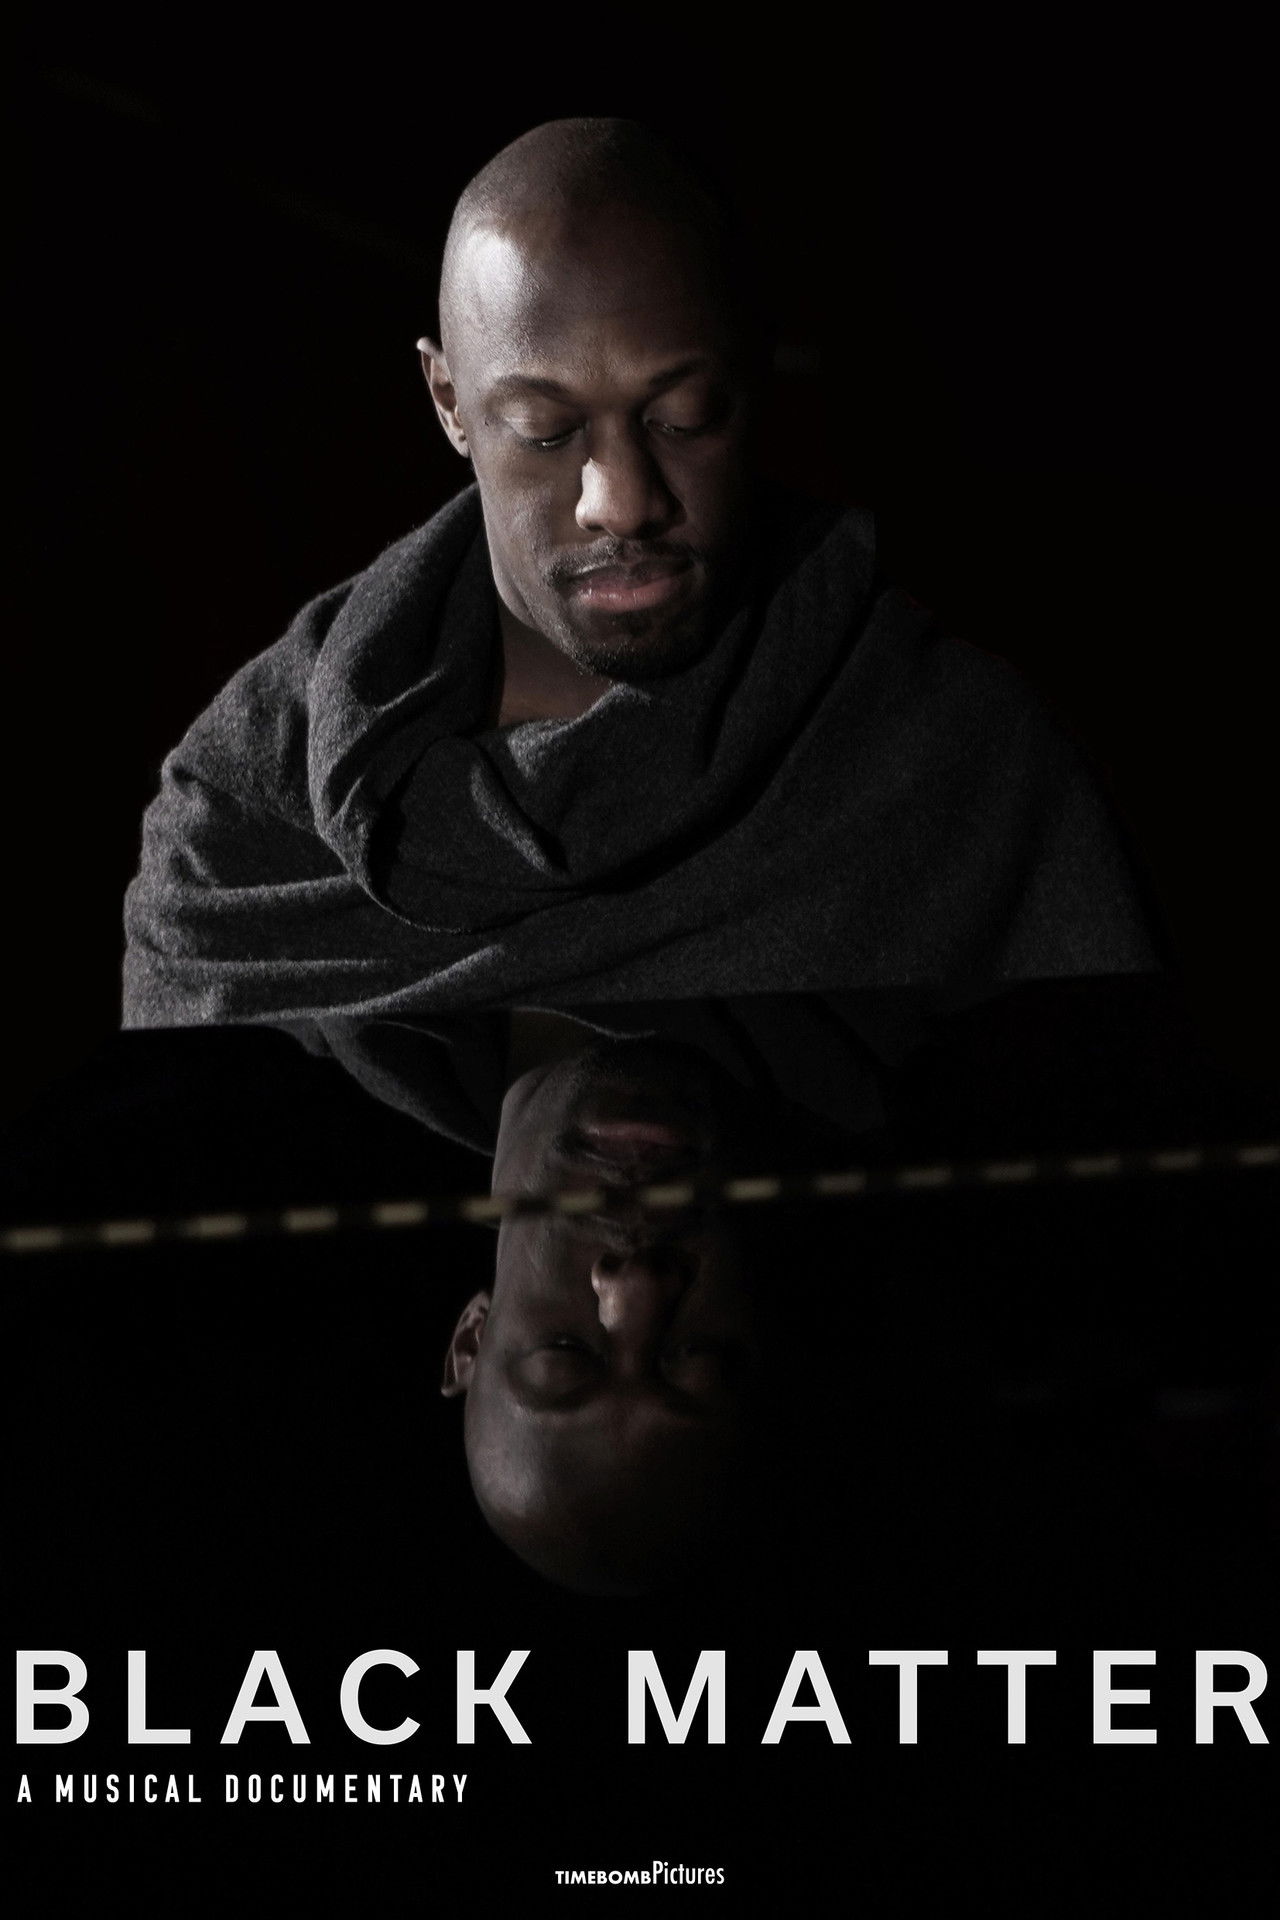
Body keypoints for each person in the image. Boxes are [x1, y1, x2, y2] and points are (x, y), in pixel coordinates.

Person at [123, 117, 1158, 1028]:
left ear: (755, 373)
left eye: (682, 417)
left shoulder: (955, 766)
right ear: (448, 402)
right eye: (544, 430)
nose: (620, 501)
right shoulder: (240, 826)